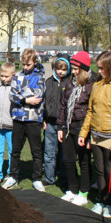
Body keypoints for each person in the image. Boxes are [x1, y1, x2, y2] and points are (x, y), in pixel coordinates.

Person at [78, 50, 111, 216]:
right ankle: (101, 200)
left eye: (102, 68)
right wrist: (84, 134)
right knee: (99, 170)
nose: (98, 71)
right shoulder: (97, 85)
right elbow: (91, 111)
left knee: (109, 171)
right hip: (96, 134)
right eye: (98, 67)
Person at [2, 48, 46, 191]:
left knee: (36, 151)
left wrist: (21, 95)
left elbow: (38, 95)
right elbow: (12, 95)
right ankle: (13, 176)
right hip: (19, 119)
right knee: (15, 150)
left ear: (34, 62)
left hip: (33, 119)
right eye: (23, 64)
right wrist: (26, 98)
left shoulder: (40, 76)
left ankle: (37, 178)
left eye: (28, 64)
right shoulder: (17, 76)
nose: (26, 68)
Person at [57, 51, 97, 204]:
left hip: (82, 128)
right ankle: (72, 189)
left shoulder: (92, 84)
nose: (73, 72)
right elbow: (63, 105)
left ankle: (84, 192)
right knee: (68, 160)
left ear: (84, 69)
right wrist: (61, 126)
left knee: (84, 161)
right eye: (72, 68)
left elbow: (92, 110)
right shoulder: (69, 83)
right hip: (68, 126)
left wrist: (88, 134)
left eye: (76, 69)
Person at [42, 55, 71, 186]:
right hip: (50, 123)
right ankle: (49, 177)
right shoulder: (49, 82)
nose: (60, 71)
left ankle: (64, 177)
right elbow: (44, 102)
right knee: (49, 152)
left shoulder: (70, 83)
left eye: (64, 69)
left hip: (64, 124)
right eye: (58, 68)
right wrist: (43, 119)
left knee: (64, 153)